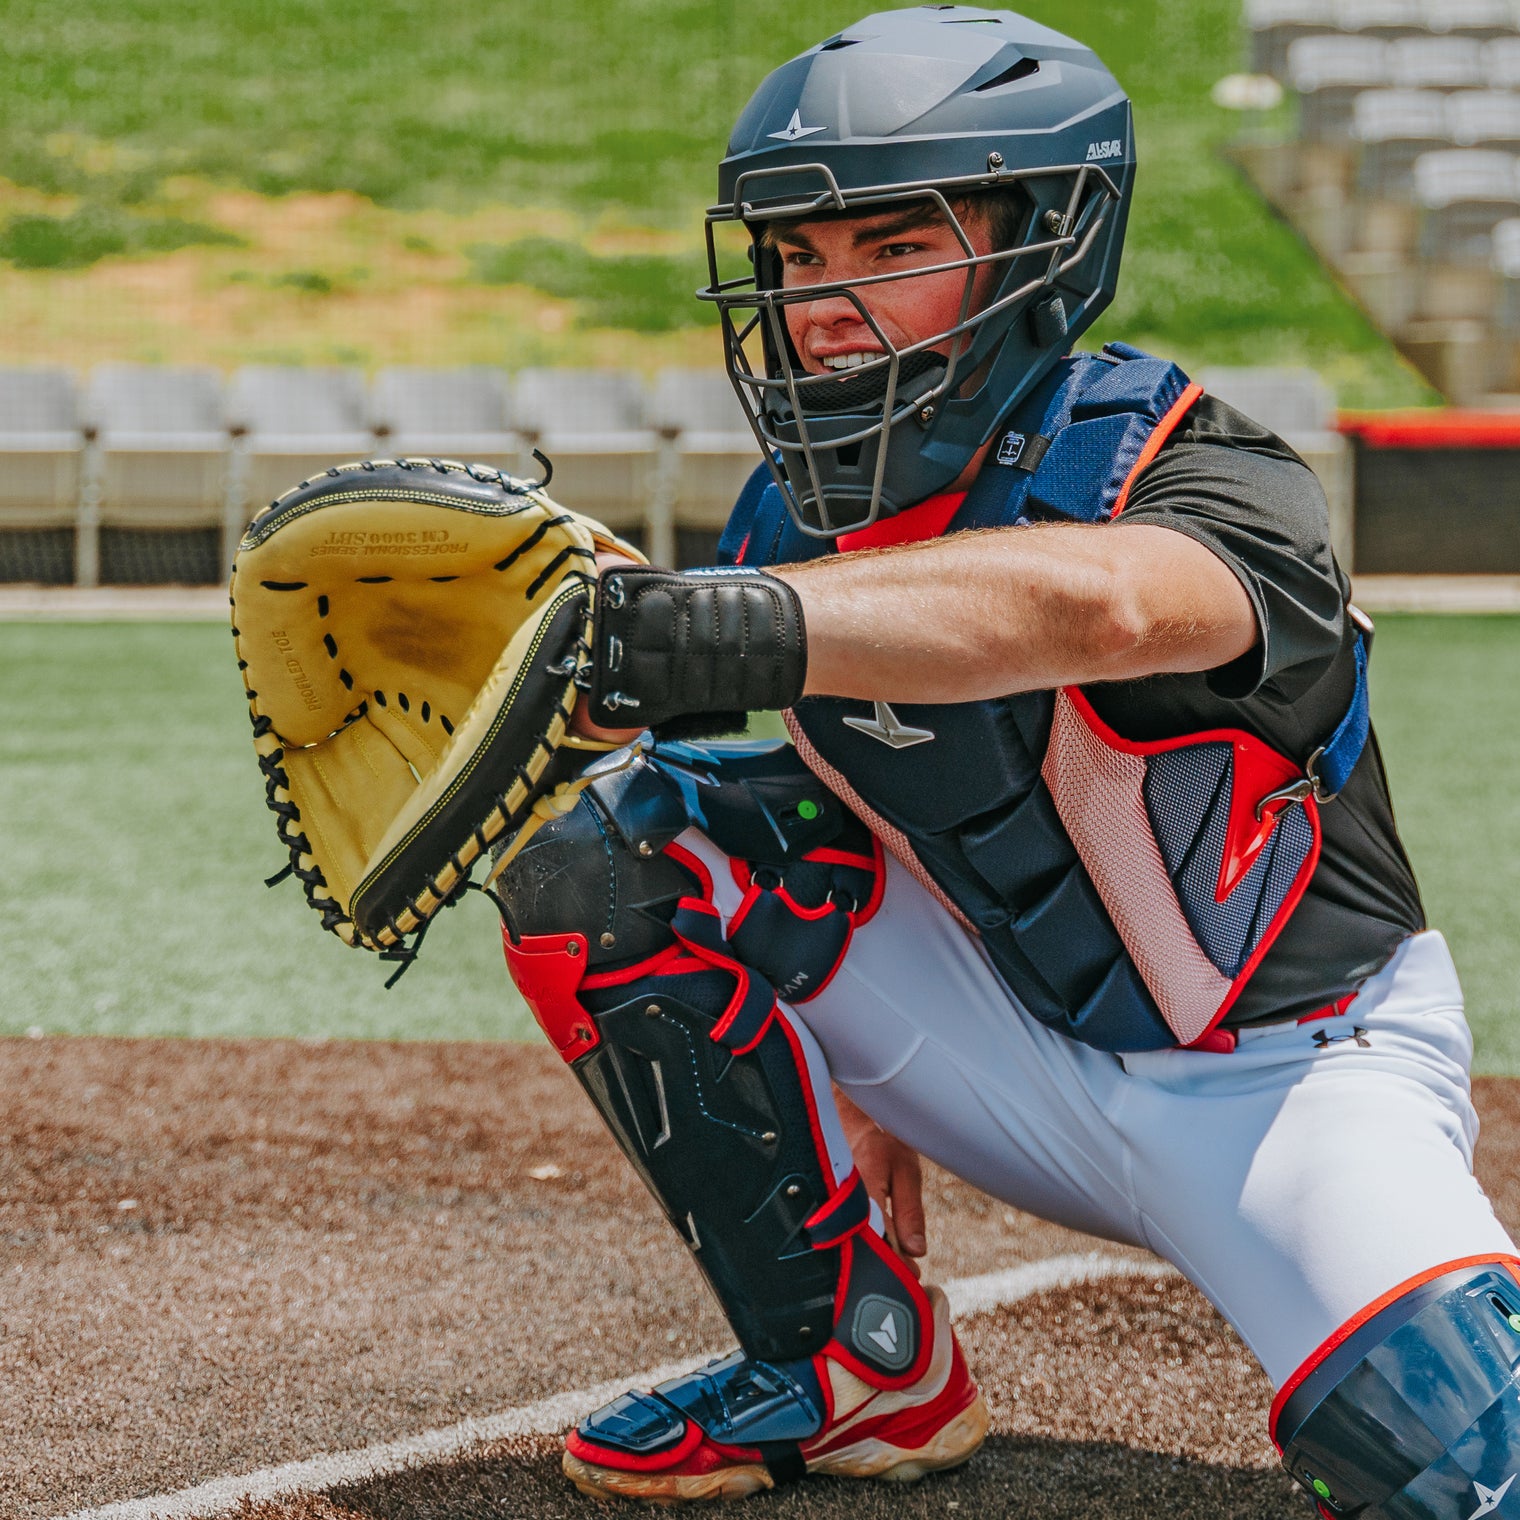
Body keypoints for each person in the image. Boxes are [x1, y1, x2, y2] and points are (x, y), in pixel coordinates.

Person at [495, 7, 1520, 1513]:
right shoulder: (793, 530)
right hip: (1005, 1052)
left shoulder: (1201, 471)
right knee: (612, 857)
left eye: (888, 249)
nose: (825, 307)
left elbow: (1097, 604)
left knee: (1466, 1467)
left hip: (1289, 1092)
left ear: (1043, 242)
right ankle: (854, 1362)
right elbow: (873, 810)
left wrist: (735, 630)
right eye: (795, 262)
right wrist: (863, 1087)